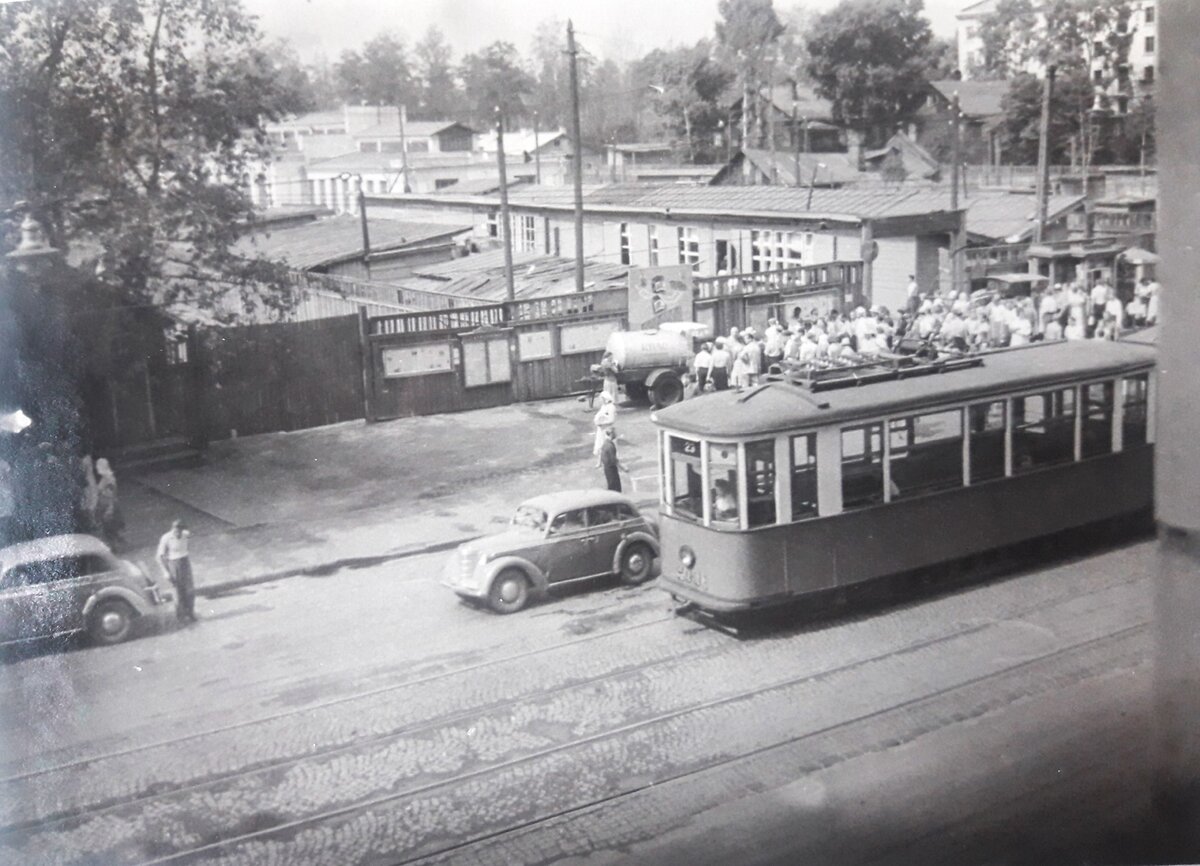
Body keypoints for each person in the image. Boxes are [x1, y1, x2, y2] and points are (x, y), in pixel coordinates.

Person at [158, 518, 196, 623]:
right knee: (178, 593)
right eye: (176, 530)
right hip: (174, 564)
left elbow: (189, 537)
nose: (177, 533)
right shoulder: (166, 538)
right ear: (172, 529)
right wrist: (165, 572)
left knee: (190, 591)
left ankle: (190, 613)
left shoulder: (185, 534)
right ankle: (181, 617)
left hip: (185, 562)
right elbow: (160, 556)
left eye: (180, 530)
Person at [94, 458, 124, 549]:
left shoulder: (108, 479)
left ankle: (114, 546)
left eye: (98, 466)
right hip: (105, 505)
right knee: (108, 527)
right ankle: (115, 543)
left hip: (108, 506)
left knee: (109, 527)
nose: (97, 468)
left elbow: (111, 494)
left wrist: (110, 508)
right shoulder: (105, 478)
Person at [598, 428, 625, 492]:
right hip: (611, 469)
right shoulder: (609, 446)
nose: (615, 434)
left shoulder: (605, 443)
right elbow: (614, 459)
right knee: (615, 487)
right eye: (614, 433)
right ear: (611, 434)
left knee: (612, 486)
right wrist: (623, 467)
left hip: (607, 468)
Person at [592, 392, 616, 459]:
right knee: (600, 444)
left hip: (608, 429)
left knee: (608, 445)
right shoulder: (603, 407)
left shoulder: (611, 407)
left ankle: (612, 460)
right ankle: (599, 461)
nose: (600, 400)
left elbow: (611, 420)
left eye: (601, 398)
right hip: (601, 429)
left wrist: (602, 423)